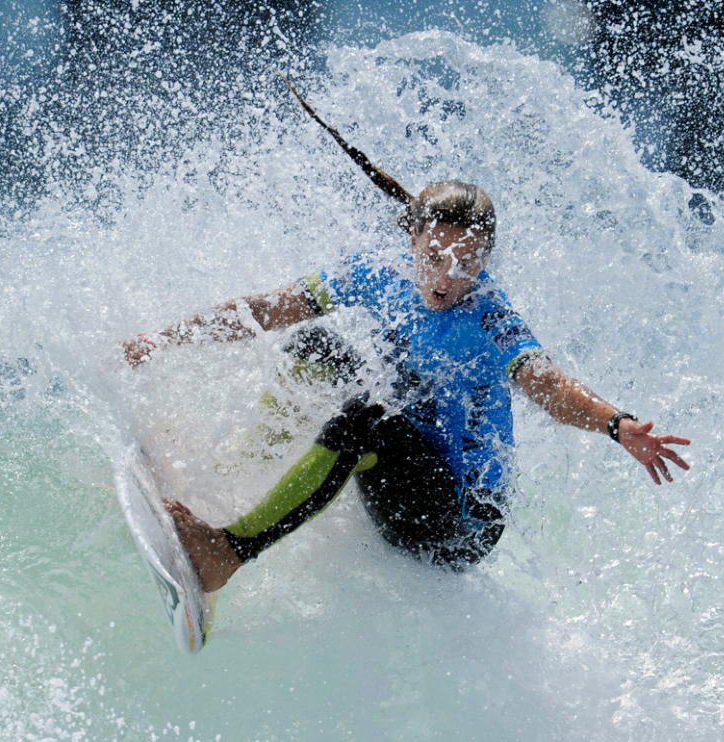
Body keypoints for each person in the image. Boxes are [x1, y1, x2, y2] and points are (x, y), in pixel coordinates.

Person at [121, 86, 690, 593]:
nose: (447, 277)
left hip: (458, 525)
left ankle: (229, 551)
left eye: (466, 263)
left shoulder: (490, 318)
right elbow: (270, 308)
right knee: (315, 346)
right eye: (435, 257)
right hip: (403, 477)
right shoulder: (376, 273)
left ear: (485, 259)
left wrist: (617, 425)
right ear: (412, 238)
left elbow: (547, 383)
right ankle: (235, 471)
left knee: (366, 420)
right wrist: (166, 338)